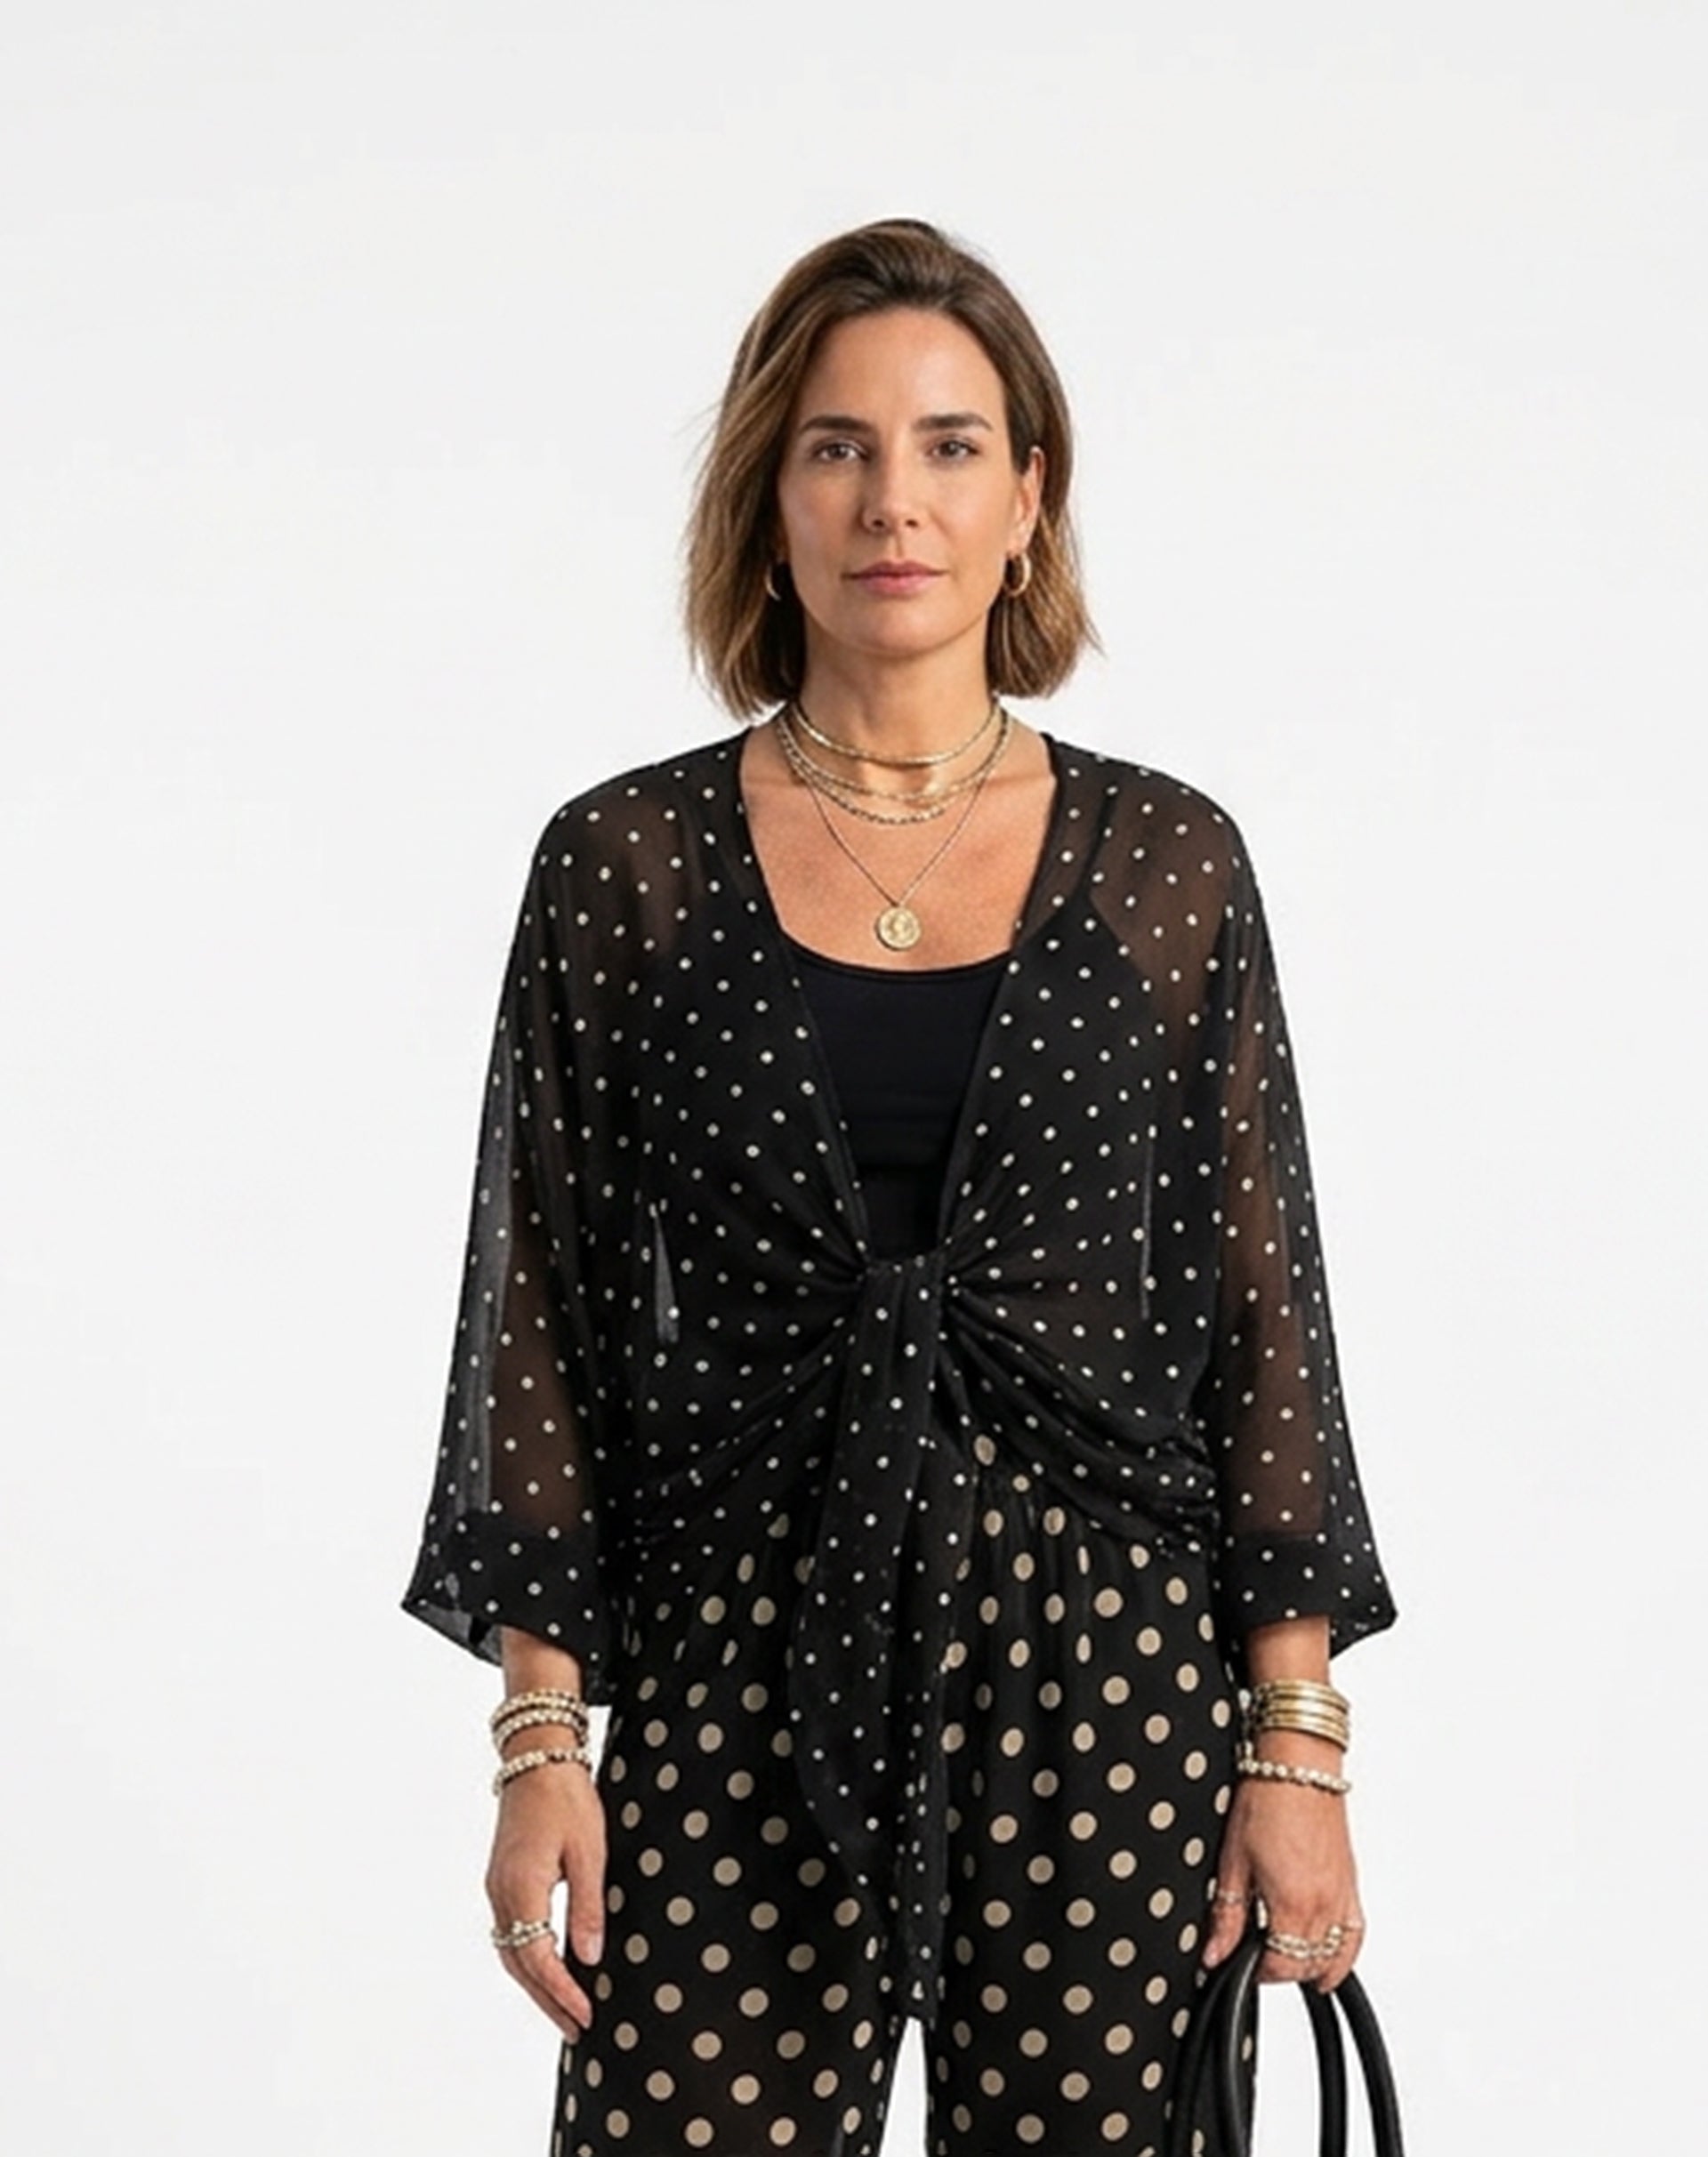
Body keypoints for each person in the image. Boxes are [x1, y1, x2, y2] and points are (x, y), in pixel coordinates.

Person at [401, 216, 1398, 2157]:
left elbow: (1261, 1310)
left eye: (950, 446)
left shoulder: (1167, 865)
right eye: (838, 447)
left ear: (1028, 500)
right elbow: (541, 1326)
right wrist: (542, 1738)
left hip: (1107, 1668)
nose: (894, 501)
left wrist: (1298, 1748)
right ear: (768, 499)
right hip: (728, 1650)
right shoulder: (627, 866)